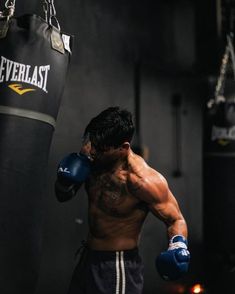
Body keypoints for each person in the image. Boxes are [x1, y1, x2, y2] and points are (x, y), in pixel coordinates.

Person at [55, 107, 190, 294]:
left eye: (100, 149)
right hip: (87, 259)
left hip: (116, 267)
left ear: (123, 148)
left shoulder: (142, 181)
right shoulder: (93, 157)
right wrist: (64, 181)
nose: (92, 151)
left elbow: (176, 219)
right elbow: (62, 196)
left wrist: (178, 246)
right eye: (91, 143)